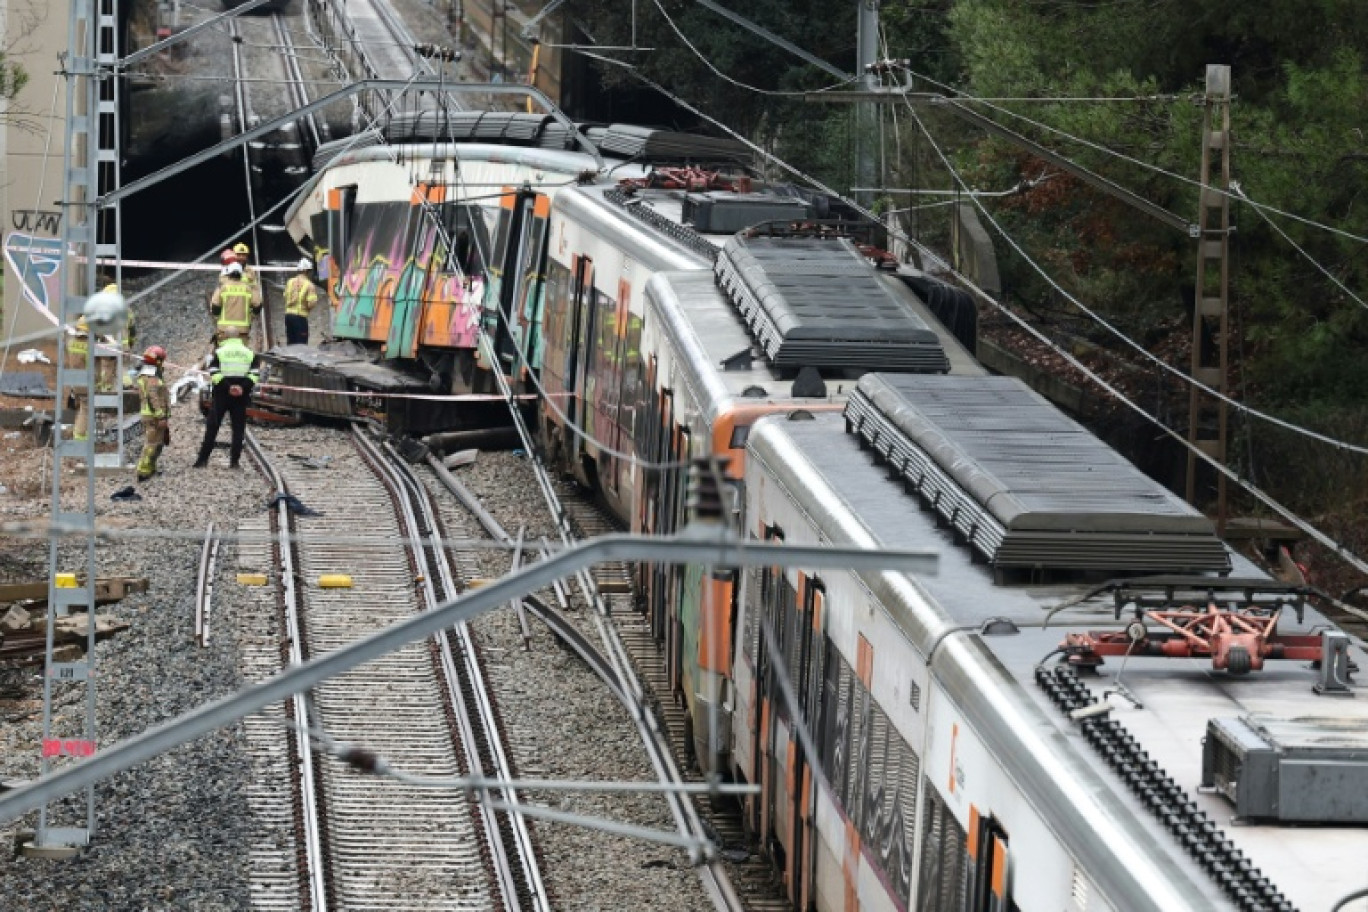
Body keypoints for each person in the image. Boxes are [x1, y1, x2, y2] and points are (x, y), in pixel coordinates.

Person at [194, 329, 260, 469]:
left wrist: (228, 387)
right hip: (241, 396)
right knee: (238, 429)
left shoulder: (219, 352)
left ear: (226, 337)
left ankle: (202, 460)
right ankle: (234, 462)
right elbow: (254, 374)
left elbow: (213, 372)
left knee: (213, 426)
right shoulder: (249, 353)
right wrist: (242, 387)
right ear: (240, 338)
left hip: (221, 395)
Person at [135, 346, 169, 482]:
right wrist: (160, 415)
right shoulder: (151, 377)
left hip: (152, 414)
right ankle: (143, 471)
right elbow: (152, 397)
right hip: (153, 416)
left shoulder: (148, 373)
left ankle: (150, 468)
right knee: (152, 444)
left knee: (158, 443)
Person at [209, 262, 258, 342]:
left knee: (223, 352)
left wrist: (217, 317)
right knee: (242, 351)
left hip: (224, 329)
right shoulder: (248, 289)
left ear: (229, 274)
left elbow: (215, 306)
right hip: (243, 330)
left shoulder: (223, 288)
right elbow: (257, 306)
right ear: (241, 274)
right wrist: (251, 317)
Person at [283, 257, 320, 345]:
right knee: (301, 344)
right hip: (300, 317)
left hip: (288, 316)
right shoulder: (309, 285)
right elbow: (312, 303)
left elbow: (285, 296)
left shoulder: (290, 282)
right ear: (307, 271)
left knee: (291, 342)